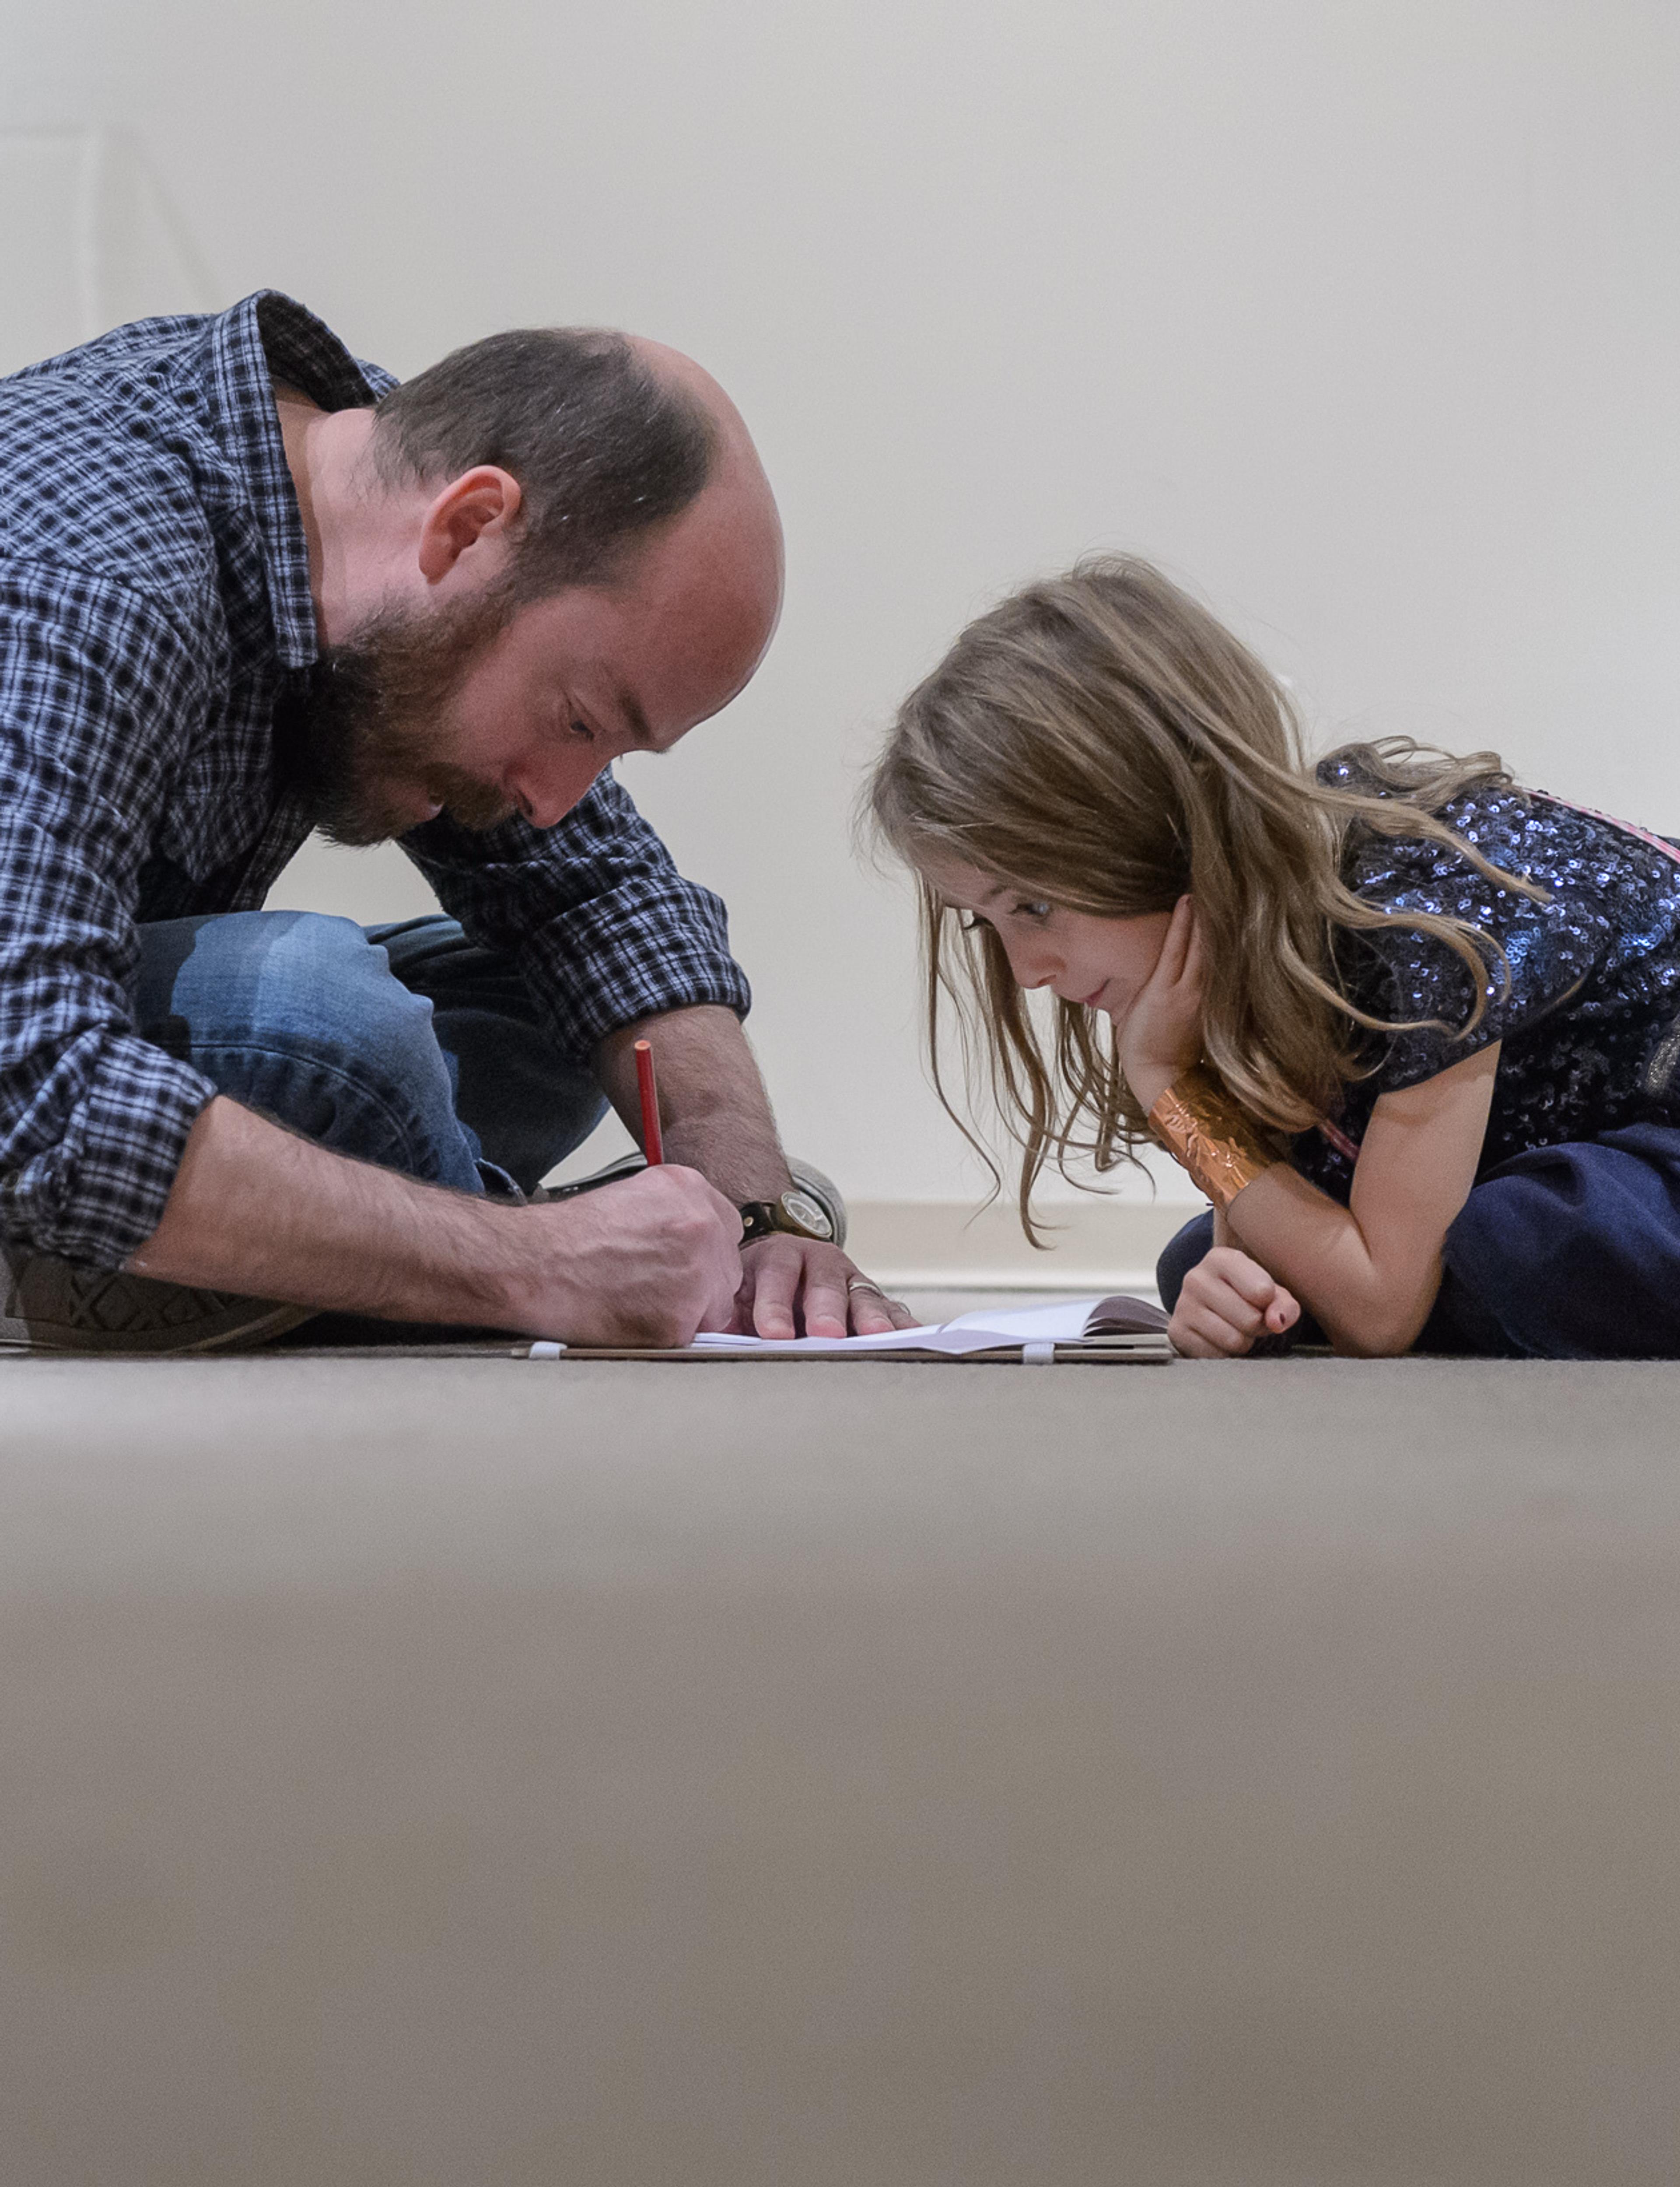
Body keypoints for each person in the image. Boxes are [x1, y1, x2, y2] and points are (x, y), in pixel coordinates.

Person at [0, 290, 911, 1351]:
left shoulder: (376, 474)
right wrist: (539, 1267)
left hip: (67, 1016)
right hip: (28, 1056)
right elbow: (26, 1076)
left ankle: (211, 1249)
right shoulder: (91, 570)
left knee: (562, 1015)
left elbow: (597, 897)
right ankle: (185, 1242)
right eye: (577, 719)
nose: (556, 798)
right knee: (331, 1019)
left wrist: (758, 1216)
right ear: (469, 529)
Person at [868, 556, 1680, 1360]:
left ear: (1164, 829)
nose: (1026, 972)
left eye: (1035, 908)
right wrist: (1240, 1283)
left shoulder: (1424, 919)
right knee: (1209, 1263)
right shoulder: (1244, 941)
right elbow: (1269, 1241)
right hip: (1540, 1157)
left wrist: (1172, 1090)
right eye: (988, 924)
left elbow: (1382, 1313)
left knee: (1522, 1242)